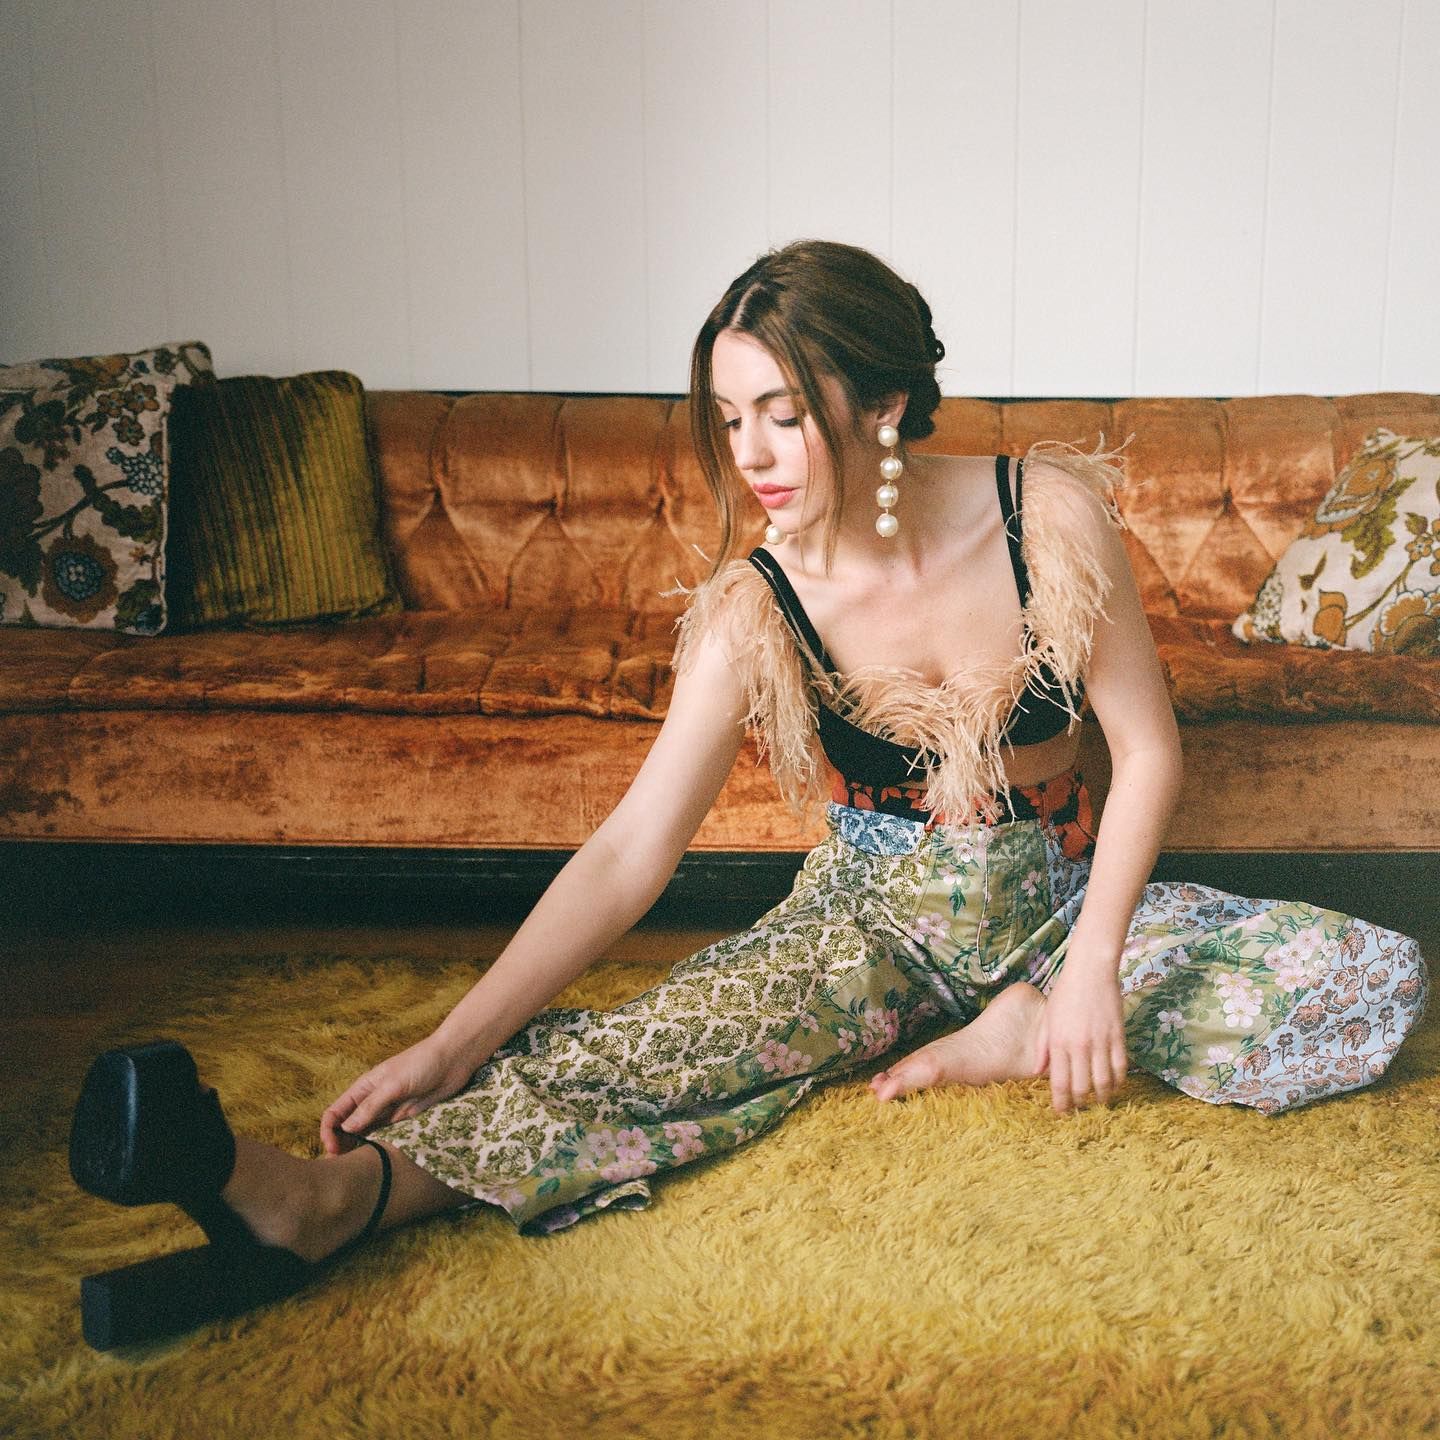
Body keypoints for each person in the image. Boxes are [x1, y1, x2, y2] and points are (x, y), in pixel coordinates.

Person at [67, 239, 1429, 1350]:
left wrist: (1087, 973)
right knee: (667, 1046)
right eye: (730, 419)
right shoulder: (755, 605)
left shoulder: (1045, 517)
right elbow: (631, 852)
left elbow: (1151, 750)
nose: (754, 453)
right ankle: (321, 1201)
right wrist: (449, 1041)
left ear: (880, 405)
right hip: (867, 923)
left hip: (1058, 905)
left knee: (1367, 978)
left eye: (782, 412)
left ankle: (1015, 1030)